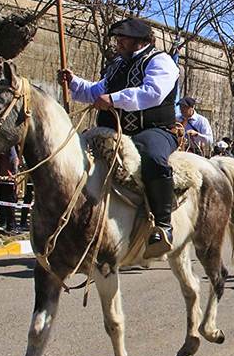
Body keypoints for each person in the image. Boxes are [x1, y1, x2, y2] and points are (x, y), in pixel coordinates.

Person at [60, 17, 180, 258]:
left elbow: (153, 93)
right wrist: (73, 83)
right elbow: (95, 92)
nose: (118, 43)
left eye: (122, 38)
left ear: (139, 41)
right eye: (117, 38)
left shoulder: (161, 61)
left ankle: (163, 225)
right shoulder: (116, 65)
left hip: (153, 130)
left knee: (153, 158)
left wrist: (114, 100)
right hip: (113, 131)